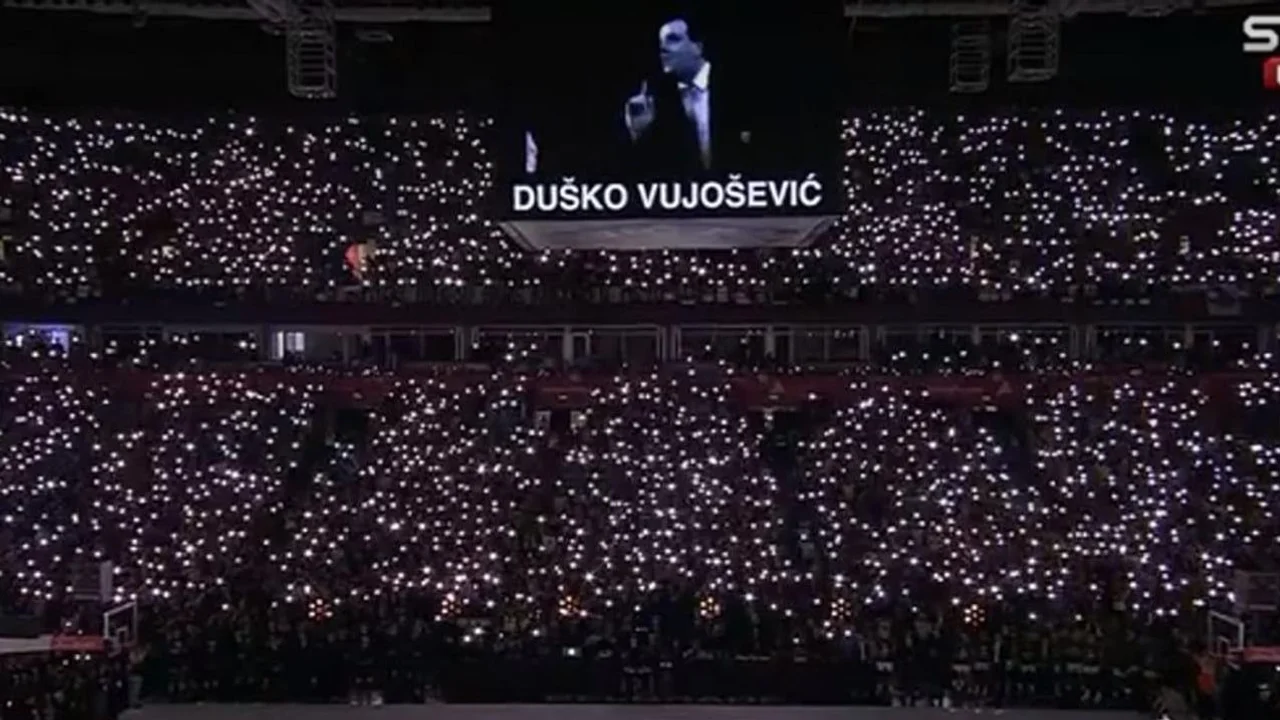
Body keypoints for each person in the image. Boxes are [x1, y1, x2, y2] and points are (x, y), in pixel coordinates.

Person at [621, 16, 754, 175]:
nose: (663, 48)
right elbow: (646, 169)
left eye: (673, 39)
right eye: (661, 42)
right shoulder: (656, 98)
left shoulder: (738, 87)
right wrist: (639, 132)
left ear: (698, 47)